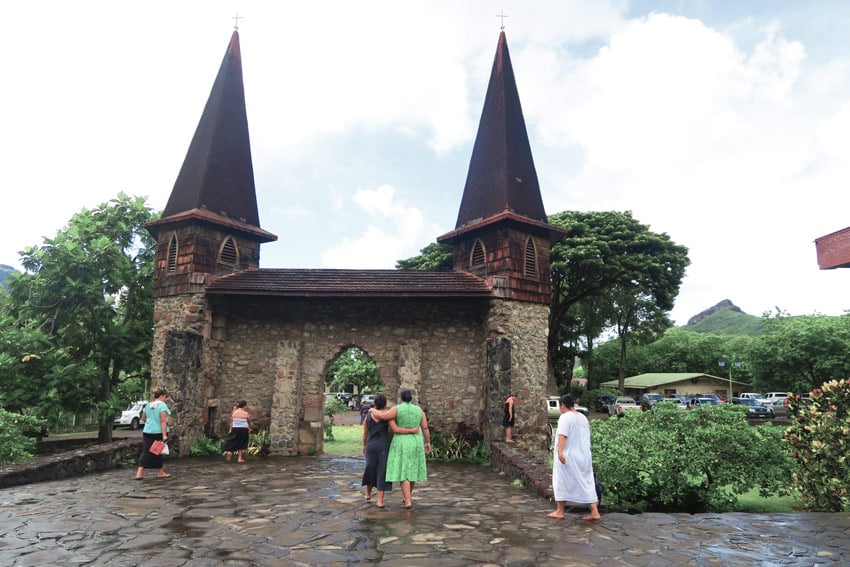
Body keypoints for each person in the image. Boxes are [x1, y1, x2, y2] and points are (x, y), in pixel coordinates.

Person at [371, 389, 430, 509]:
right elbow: (425, 428)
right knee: (412, 469)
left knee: (404, 471)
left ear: (401, 397)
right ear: (411, 398)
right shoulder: (419, 410)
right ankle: (406, 498)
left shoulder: (397, 409)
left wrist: (372, 409)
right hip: (416, 441)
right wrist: (427, 442)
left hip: (402, 442)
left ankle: (407, 501)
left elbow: (383, 416)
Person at [548, 394, 601, 521]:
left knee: (561, 480)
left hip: (569, 455)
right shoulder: (583, 418)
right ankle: (594, 511)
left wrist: (560, 452)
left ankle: (560, 511)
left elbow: (562, 435)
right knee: (586, 482)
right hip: (584, 455)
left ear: (562, 405)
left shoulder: (565, 417)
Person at [360, 393, 417, 508]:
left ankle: (368, 494)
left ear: (375, 403)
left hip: (371, 445)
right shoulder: (387, 416)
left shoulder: (368, 416)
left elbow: (365, 433)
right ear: (385, 404)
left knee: (370, 468)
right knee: (382, 471)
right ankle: (380, 501)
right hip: (383, 446)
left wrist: (364, 446)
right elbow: (395, 429)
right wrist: (411, 430)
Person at [135, 388, 171, 479]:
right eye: (165, 397)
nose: (165, 399)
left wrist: (151, 421)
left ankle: (139, 473)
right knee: (157, 451)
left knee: (146, 451)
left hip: (147, 431)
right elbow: (163, 421)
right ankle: (160, 472)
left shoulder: (148, 405)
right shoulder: (162, 406)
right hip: (158, 432)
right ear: (162, 396)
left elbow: (143, 418)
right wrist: (164, 435)